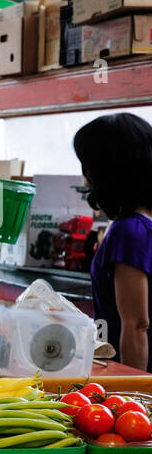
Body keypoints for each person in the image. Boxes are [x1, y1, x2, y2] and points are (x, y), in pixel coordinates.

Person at [75, 113, 152, 371]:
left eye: (87, 164)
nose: (84, 178)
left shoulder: (128, 231)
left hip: (135, 374)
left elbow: (137, 325)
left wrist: (135, 397)